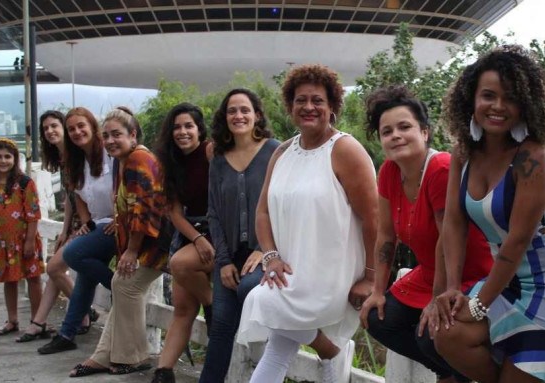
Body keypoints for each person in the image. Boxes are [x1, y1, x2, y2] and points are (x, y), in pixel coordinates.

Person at [433, 45, 545, 383]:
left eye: (511, 98)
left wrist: (478, 305)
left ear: (526, 105)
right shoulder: (462, 154)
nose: (499, 107)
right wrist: (451, 287)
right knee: (446, 334)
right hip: (505, 280)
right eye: (488, 95)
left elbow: (517, 241)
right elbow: (455, 223)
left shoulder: (532, 158)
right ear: (471, 99)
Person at [236, 64, 378, 383]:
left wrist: (371, 278)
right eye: (301, 100)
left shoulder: (345, 149)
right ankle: (333, 353)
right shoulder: (283, 152)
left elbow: (374, 219)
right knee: (277, 349)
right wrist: (270, 256)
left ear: (332, 107)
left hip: (331, 272)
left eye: (317, 100)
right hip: (291, 271)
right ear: (290, 106)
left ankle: (330, 351)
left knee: (260, 300)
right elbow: (263, 213)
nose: (309, 107)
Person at [358, 85, 493, 383]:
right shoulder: (389, 173)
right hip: (429, 273)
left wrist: (436, 299)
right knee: (378, 318)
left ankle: (462, 373)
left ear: (424, 132)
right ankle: (451, 372)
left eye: (404, 127)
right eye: (387, 131)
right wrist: (378, 290)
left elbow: (448, 238)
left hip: (469, 275)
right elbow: (386, 236)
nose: (395, 135)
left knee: (430, 335)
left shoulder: (441, 169)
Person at [67, 106, 167, 377]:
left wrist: (131, 251)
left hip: (157, 245)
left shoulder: (138, 160)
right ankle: (104, 354)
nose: (110, 141)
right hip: (145, 243)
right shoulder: (124, 161)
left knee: (126, 286)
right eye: (106, 135)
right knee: (120, 284)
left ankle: (135, 355)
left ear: (132, 134)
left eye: (117, 135)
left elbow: (142, 209)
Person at [197, 89, 279, 383]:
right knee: (220, 327)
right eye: (232, 110)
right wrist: (223, 261)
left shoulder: (275, 151)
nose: (239, 116)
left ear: (257, 114)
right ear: (225, 117)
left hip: (267, 254)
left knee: (248, 289)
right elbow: (214, 212)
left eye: (245, 110)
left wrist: (264, 250)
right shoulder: (218, 159)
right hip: (230, 256)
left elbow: (283, 207)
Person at [37, 107, 118, 354]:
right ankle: (67, 333)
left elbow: (127, 185)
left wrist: (121, 217)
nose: (76, 132)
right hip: (98, 224)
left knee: (72, 256)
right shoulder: (75, 162)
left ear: (94, 127)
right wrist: (86, 222)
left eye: (81, 126)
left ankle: (118, 286)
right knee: (84, 277)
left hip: (118, 225)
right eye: (71, 129)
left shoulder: (109, 154)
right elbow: (78, 196)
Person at [17, 110, 98, 342]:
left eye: (55, 126)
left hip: (89, 222)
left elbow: (84, 194)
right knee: (54, 270)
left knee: (53, 268)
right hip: (74, 222)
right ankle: (38, 322)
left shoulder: (79, 157)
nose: (50, 131)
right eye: (46, 128)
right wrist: (63, 230)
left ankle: (83, 311)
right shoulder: (65, 160)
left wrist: (83, 224)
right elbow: (70, 198)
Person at [151, 102, 215, 382]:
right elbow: (174, 213)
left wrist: (205, 238)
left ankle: (213, 307)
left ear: (199, 129)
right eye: (177, 127)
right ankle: (163, 372)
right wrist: (197, 238)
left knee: (179, 264)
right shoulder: (170, 163)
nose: (183, 132)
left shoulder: (212, 152)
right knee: (183, 309)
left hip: (220, 229)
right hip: (192, 230)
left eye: (189, 126)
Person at [0, 138, 45, 336]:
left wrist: (30, 241)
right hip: (2, 243)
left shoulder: (24, 183)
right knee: (9, 280)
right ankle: (12, 320)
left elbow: (33, 214)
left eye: (8, 156)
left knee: (33, 278)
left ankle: (37, 321)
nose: (3, 161)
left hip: (25, 240)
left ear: (15, 159)